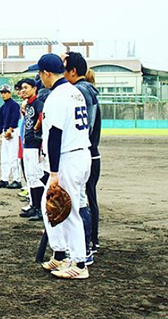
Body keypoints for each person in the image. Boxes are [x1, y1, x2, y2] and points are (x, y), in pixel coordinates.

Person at [37, 53, 92, 280]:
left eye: (40, 73)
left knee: (69, 212)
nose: (40, 78)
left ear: (46, 73)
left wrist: (54, 172)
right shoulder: (73, 91)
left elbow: (55, 134)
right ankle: (60, 254)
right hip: (79, 154)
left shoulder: (57, 96)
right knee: (48, 205)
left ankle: (79, 264)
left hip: (68, 158)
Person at [63, 53, 102, 257]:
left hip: (84, 152)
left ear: (73, 71)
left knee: (81, 201)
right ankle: (91, 241)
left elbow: (86, 127)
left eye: (64, 68)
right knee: (87, 198)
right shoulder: (87, 89)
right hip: (90, 153)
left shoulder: (80, 91)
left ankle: (87, 244)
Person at [18, 78, 45, 221]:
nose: (23, 90)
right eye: (22, 88)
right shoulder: (28, 104)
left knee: (36, 176)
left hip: (35, 144)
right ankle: (33, 206)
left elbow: (42, 116)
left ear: (34, 89)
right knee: (29, 177)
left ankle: (40, 209)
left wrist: (36, 128)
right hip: (27, 144)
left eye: (26, 87)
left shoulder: (38, 102)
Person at [0, 84, 21, 189]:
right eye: (1, 93)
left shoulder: (15, 105)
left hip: (13, 132)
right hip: (5, 133)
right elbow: (0, 122)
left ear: (10, 93)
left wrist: (10, 130)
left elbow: (15, 119)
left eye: (5, 92)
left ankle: (17, 180)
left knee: (13, 157)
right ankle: (4, 179)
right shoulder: (2, 107)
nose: (3, 95)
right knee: (4, 158)